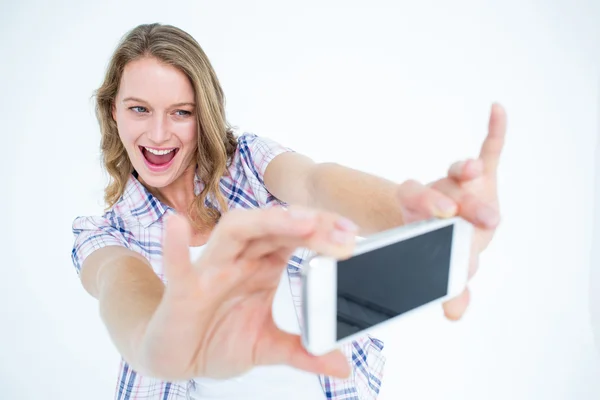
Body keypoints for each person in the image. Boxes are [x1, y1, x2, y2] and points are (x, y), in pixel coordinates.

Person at [70, 22, 507, 400]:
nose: (159, 133)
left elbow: (317, 181)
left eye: (180, 112)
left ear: (202, 115)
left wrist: (420, 215)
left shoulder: (249, 164)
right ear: (114, 111)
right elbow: (119, 284)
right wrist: (152, 343)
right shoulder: (103, 234)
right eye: (139, 109)